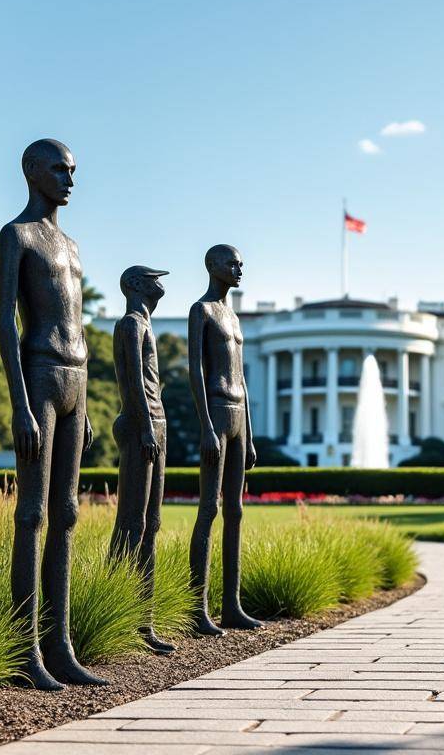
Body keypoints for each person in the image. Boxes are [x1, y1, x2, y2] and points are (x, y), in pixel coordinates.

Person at [0, 138, 106, 689]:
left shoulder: (73, 246)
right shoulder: (16, 236)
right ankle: (26, 648)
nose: (70, 179)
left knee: (66, 513)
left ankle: (60, 645)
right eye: (60, 170)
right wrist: (20, 403)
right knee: (32, 513)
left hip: (76, 377)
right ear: (32, 172)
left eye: (73, 170)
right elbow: (5, 324)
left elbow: (81, 323)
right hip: (39, 372)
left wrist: (83, 407)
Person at [188, 244, 262, 635]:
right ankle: (198, 608)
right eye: (232, 263)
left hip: (237, 414)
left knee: (235, 510)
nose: (239, 269)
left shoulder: (233, 317)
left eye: (241, 264)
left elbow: (244, 380)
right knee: (209, 509)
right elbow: (195, 371)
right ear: (212, 266)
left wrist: (248, 435)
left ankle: (231, 605)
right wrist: (204, 425)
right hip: (215, 410)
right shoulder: (201, 311)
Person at [109, 265, 175, 655]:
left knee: (151, 523)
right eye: (153, 279)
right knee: (131, 523)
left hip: (156, 423)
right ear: (135, 285)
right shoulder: (131, 325)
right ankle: (119, 612)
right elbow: (131, 379)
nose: (160, 284)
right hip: (141, 426)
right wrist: (147, 426)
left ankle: (143, 620)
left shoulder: (145, 325)